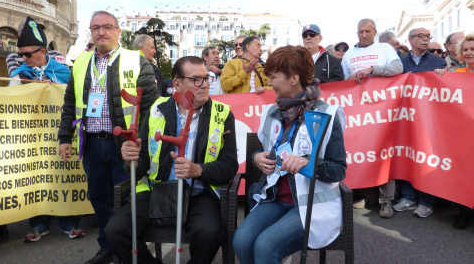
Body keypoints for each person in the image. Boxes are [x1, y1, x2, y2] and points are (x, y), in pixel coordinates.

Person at [105, 56, 238, 264]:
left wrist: (198, 170)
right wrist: (131, 159)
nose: (204, 85)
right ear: (177, 83)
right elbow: (139, 164)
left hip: (199, 193)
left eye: (207, 78)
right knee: (115, 230)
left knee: (209, 234)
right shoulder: (157, 109)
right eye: (196, 79)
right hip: (156, 190)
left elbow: (230, 165)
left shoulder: (222, 113)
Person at [58, 10, 158, 264]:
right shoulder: (81, 62)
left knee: (129, 197)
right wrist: (65, 139)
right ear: (90, 33)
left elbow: (149, 106)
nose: (101, 32)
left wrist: (141, 141)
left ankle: (133, 250)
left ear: (119, 32)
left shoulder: (136, 60)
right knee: (99, 197)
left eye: (107, 27)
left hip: (125, 145)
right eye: (95, 28)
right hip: (91, 143)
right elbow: (70, 103)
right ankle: (107, 247)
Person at [233, 45, 347, 264]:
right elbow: (264, 150)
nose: (269, 83)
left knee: (266, 247)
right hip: (274, 198)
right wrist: (257, 157)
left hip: (312, 204)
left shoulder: (327, 114)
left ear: (294, 79)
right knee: (241, 241)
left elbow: (338, 170)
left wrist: (308, 163)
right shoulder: (271, 112)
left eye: (274, 77)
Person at [8, 16, 80, 241]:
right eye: (21, 54)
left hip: (61, 135)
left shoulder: (65, 72)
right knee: (36, 178)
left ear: (42, 51)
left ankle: (70, 223)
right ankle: (39, 224)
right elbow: (11, 103)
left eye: (28, 54)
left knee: (65, 176)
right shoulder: (18, 74)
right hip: (33, 138)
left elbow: (75, 102)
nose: (24, 58)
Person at [341, 18, 403, 218]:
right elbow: (342, 84)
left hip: (382, 111)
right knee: (363, 153)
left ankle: (386, 202)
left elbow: (398, 69)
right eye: (361, 31)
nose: (364, 35)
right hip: (358, 113)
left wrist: (372, 70)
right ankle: (369, 197)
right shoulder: (349, 54)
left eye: (368, 31)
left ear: (375, 32)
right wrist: (351, 79)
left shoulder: (385, 49)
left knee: (383, 154)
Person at [393, 27, 447, 218]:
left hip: (429, 121)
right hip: (406, 120)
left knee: (426, 159)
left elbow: (446, 88)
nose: (425, 40)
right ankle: (409, 197)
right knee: (408, 157)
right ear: (410, 40)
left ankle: (426, 201)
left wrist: (443, 75)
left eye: (427, 37)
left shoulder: (438, 62)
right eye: (420, 36)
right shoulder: (400, 63)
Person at [451, 33, 474, 228]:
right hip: (462, 135)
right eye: (465, 49)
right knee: (463, 175)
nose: (468, 52)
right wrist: (439, 77)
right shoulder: (457, 74)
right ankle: (464, 213)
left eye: (472, 49)